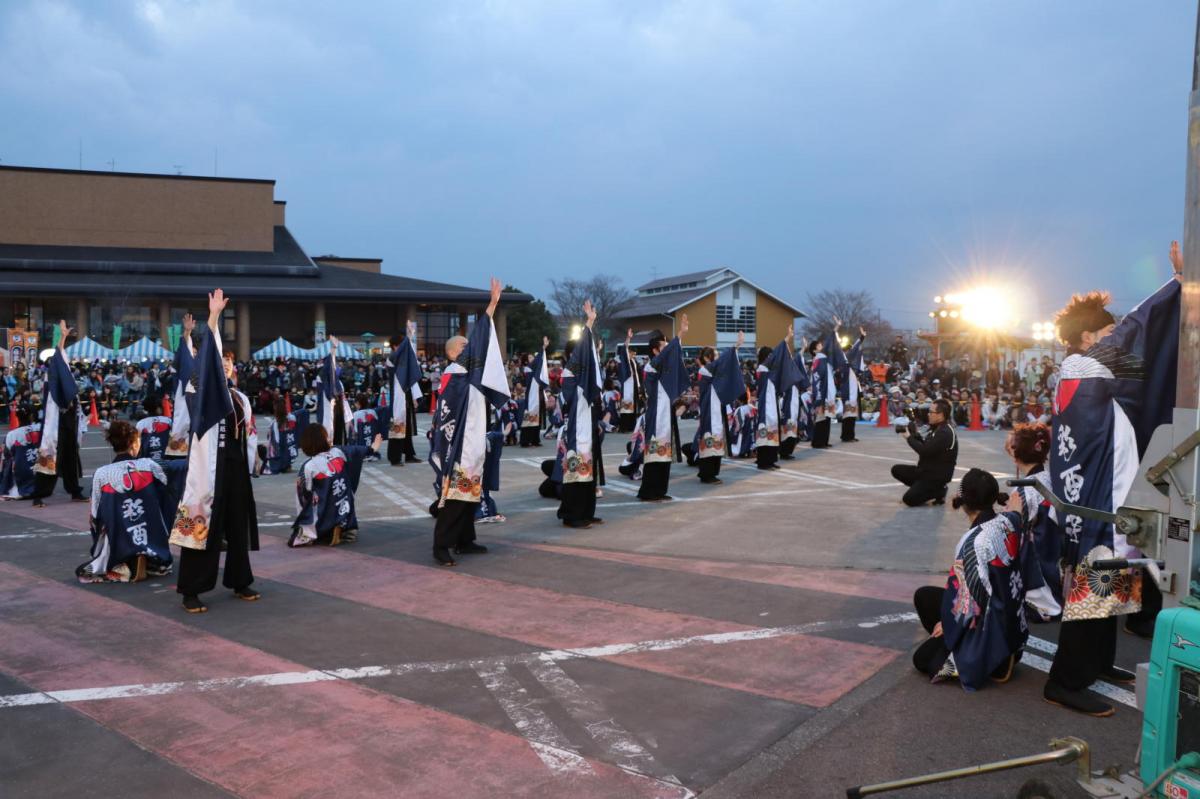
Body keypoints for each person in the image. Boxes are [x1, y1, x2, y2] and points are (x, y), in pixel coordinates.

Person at [1042, 243, 1182, 716]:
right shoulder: (1081, 367)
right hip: (1097, 498)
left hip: (1107, 493)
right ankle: (1065, 680)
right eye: (1103, 331)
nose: (1113, 337)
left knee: (1113, 583)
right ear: (1086, 339)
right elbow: (1135, 331)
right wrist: (1180, 282)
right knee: (1093, 592)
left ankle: (1099, 664)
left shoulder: (1084, 371)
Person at [170, 289, 261, 614]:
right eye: (218, 361)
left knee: (237, 523)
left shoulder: (240, 398)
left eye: (227, 363)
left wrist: (254, 462)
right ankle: (190, 590)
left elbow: (248, 435)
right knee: (199, 523)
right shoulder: (197, 390)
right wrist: (213, 319)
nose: (222, 366)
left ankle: (240, 579)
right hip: (207, 467)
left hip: (235, 466)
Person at [911, 469, 1032, 690]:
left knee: (922, 660)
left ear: (963, 500)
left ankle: (991, 661)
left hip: (993, 632)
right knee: (925, 596)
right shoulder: (1009, 521)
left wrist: (948, 626)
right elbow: (1016, 515)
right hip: (1012, 621)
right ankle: (994, 650)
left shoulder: (973, 542)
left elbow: (970, 603)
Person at [428, 278, 509, 566]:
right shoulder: (455, 372)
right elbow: (479, 342)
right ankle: (441, 545)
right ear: (454, 353)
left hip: (472, 436)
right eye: (464, 346)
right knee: (456, 495)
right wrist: (490, 309)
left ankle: (465, 539)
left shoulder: (467, 373)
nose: (470, 348)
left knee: (470, 492)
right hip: (459, 441)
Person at [76, 420, 183, 583]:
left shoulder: (101, 473)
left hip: (120, 535)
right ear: (133, 442)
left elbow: (95, 514)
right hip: (150, 530)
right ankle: (153, 558)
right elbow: (176, 473)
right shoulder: (149, 464)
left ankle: (124, 559)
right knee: (166, 493)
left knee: (100, 518)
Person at [289, 423, 382, 547]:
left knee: (308, 499)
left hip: (327, 510)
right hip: (345, 505)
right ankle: (347, 528)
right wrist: (372, 448)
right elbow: (356, 451)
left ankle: (319, 531)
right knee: (345, 492)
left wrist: (303, 518)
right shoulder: (338, 451)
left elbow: (304, 495)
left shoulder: (308, 466)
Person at [1006, 422, 1063, 622]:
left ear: (1015, 452)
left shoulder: (1023, 490)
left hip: (1037, 562)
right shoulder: (1050, 478)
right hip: (1055, 555)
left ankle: (1040, 603)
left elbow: (1010, 530)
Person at [553, 303, 602, 528]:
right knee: (575, 470)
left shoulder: (585, 372)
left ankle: (586, 511)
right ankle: (571, 515)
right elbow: (569, 401)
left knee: (588, 471)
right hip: (575, 428)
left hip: (587, 424)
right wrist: (589, 323)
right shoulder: (570, 372)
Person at [32, 320, 87, 508]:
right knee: (50, 457)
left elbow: (62, 363)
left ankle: (74, 491)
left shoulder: (65, 378)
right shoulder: (52, 383)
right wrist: (62, 338)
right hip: (56, 426)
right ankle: (39, 494)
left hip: (69, 422)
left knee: (71, 458)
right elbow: (59, 360)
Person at [637, 316, 689, 502]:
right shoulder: (651, 367)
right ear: (655, 351)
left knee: (664, 453)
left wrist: (679, 339)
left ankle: (660, 489)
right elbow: (667, 357)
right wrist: (679, 334)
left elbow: (673, 358)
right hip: (655, 415)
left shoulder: (663, 369)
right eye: (663, 347)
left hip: (665, 415)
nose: (667, 350)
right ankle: (648, 491)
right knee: (654, 453)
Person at [692, 331, 746, 484]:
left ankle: (712, 472)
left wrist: (735, 349)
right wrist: (735, 346)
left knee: (716, 437)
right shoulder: (705, 370)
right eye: (715, 355)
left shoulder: (711, 370)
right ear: (708, 358)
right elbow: (721, 364)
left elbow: (724, 367)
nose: (717, 358)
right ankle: (706, 473)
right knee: (710, 437)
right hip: (709, 409)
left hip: (716, 408)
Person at [890, 398, 958, 506]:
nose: (928, 414)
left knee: (909, 499)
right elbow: (927, 446)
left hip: (936, 476)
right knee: (896, 470)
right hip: (925, 471)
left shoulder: (945, 432)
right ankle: (922, 488)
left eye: (931, 412)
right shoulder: (937, 428)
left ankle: (939, 490)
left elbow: (925, 451)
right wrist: (914, 435)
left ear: (940, 415)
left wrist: (909, 438)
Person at [387, 321, 423, 465]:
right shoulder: (392, 359)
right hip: (397, 396)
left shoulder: (401, 360)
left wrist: (414, 397)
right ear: (396, 346)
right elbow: (404, 352)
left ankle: (409, 454)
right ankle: (394, 457)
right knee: (397, 425)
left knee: (407, 427)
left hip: (405, 394)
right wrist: (409, 336)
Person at [165, 313, 197, 459]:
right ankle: (177, 458)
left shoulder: (204, 368)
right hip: (185, 396)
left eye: (196, 353)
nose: (194, 354)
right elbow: (184, 351)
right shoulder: (186, 367)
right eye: (192, 352)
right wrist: (187, 332)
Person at [808, 319, 840, 449]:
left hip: (826, 390)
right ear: (815, 350)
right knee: (821, 419)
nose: (822, 346)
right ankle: (818, 442)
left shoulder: (822, 359)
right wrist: (836, 328)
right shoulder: (819, 358)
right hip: (823, 391)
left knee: (826, 418)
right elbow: (829, 343)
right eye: (819, 346)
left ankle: (823, 441)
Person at [316, 336, 354, 446]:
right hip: (328, 406)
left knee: (339, 430)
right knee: (328, 429)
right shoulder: (322, 378)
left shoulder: (337, 382)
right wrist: (333, 349)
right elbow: (329, 367)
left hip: (339, 407)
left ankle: (339, 446)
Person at [0, 408, 40, 499]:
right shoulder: (39, 428)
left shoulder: (12, 434)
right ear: (31, 416)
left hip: (22, 470)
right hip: (40, 467)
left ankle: (8, 485)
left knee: (7, 458)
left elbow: (6, 454)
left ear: (17, 417)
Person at [519, 337, 550, 447]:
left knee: (536, 419)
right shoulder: (527, 368)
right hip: (531, 396)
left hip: (536, 395)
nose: (533, 358)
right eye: (530, 357)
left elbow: (538, 362)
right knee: (529, 418)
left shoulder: (532, 367)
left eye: (533, 356)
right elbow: (538, 361)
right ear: (527, 360)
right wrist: (543, 348)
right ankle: (525, 440)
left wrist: (543, 350)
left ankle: (535, 439)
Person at [838, 327, 867, 443]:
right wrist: (861, 338)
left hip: (853, 393)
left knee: (852, 415)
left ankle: (850, 435)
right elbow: (853, 352)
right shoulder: (843, 363)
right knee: (847, 416)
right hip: (847, 393)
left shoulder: (851, 368)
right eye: (848, 350)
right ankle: (846, 436)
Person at [260, 396, 298, 475]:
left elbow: (274, 442)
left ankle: (280, 465)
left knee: (260, 448)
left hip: (278, 455)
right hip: (291, 452)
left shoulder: (274, 423)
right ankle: (287, 465)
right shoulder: (292, 418)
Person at [615, 338, 642, 433]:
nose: (633, 355)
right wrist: (628, 338)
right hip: (627, 386)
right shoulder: (624, 361)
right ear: (628, 352)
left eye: (634, 354)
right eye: (632, 353)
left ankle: (631, 426)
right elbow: (624, 349)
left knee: (633, 408)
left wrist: (638, 386)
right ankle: (624, 427)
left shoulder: (633, 362)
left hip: (634, 386)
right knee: (626, 407)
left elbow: (637, 375)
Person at [135, 395, 172, 463]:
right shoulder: (168, 421)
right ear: (158, 408)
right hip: (166, 458)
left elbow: (137, 443)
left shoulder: (140, 423)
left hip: (146, 460)